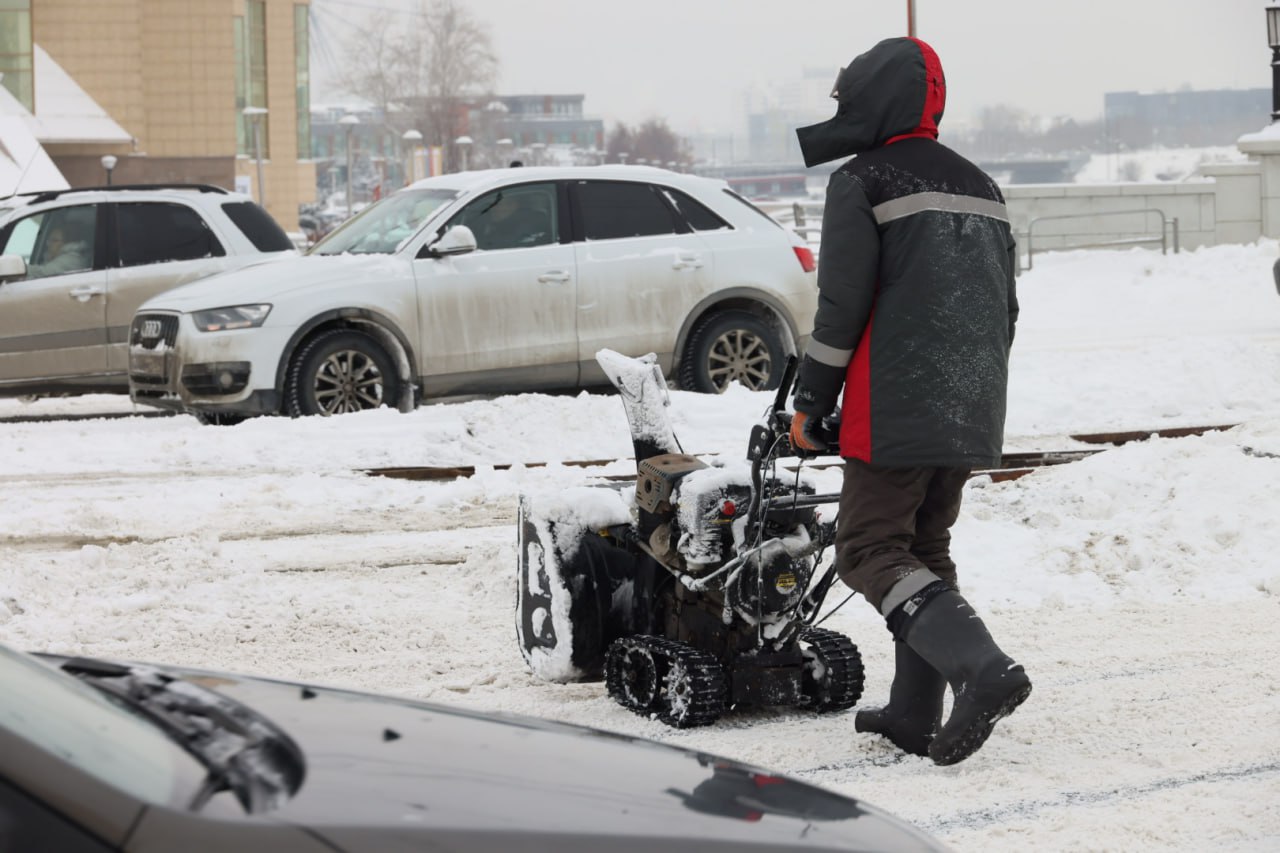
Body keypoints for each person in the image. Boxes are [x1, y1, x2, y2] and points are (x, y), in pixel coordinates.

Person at [788, 36, 1030, 766]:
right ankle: (913, 712)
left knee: (868, 547)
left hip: (894, 401)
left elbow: (843, 306)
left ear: (874, 100)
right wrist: (975, 390)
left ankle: (982, 669)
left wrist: (810, 401)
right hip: (972, 397)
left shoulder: (864, 180)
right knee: (923, 546)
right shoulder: (983, 187)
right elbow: (1005, 309)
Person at [26, 225, 91, 279]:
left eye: (54, 240)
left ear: (66, 242)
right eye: (49, 240)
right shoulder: (59, 257)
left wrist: (24, 268)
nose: (49, 244)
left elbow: (43, 273)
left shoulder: (71, 259)